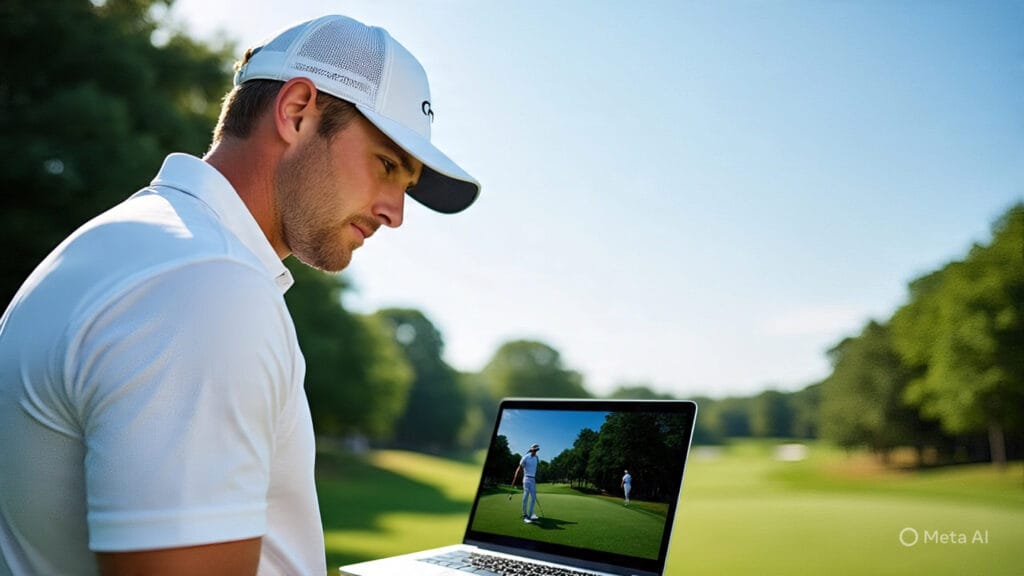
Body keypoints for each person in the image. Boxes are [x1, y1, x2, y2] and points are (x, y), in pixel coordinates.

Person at [0, 14, 479, 576]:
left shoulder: (129, 241)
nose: (395, 214)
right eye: (387, 165)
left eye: (407, 184)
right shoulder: (208, 285)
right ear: (297, 111)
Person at [511, 444, 541, 523]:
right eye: (534, 450)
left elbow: (534, 469)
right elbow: (519, 468)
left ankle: (531, 514)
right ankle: (525, 515)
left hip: (533, 480)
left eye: (536, 450)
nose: (535, 451)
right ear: (531, 450)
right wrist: (515, 478)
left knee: (533, 498)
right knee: (526, 497)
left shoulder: (536, 458)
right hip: (527, 479)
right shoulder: (525, 457)